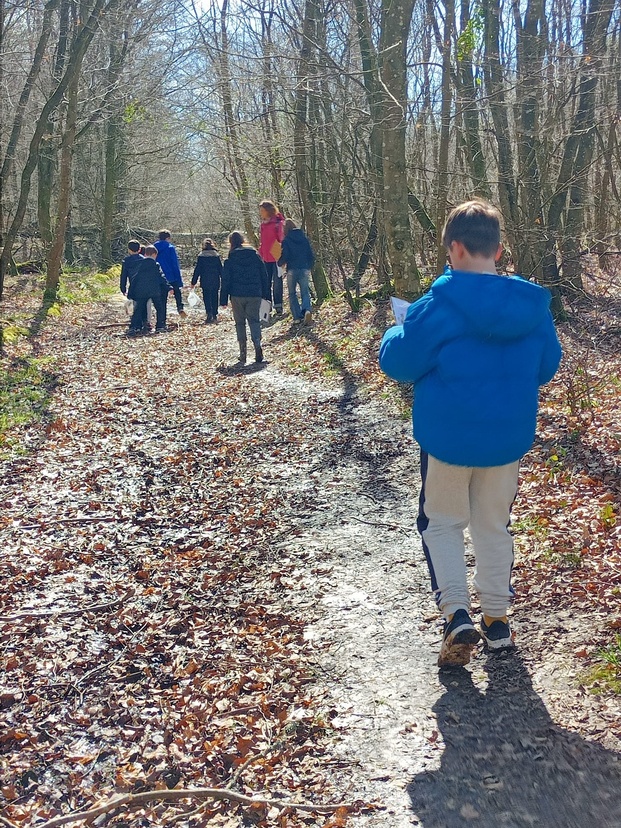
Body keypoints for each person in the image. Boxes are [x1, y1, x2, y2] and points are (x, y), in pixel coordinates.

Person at [379, 199, 562, 668]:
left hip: (448, 439)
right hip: (506, 439)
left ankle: (457, 614)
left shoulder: (434, 306)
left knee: (441, 522)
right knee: (492, 525)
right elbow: (546, 367)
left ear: (455, 248)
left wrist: (393, 332)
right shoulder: (530, 306)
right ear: (497, 251)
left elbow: (398, 363)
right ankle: (498, 620)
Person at [220, 231, 269, 364]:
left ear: (231, 243)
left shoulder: (230, 259)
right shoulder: (255, 256)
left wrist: (223, 299)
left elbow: (226, 280)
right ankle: (257, 345)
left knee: (240, 322)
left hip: (237, 295)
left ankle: (243, 353)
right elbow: (264, 275)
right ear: (243, 240)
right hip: (254, 293)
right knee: (254, 321)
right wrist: (266, 294)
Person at [127, 245, 171, 335]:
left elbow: (135, 278)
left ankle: (134, 327)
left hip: (142, 291)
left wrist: (131, 290)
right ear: (155, 254)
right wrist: (169, 287)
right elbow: (161, 277)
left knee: (138, 309)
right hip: (154, 290)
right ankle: (160, 326)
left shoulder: (140, 264)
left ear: (145, 254)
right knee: (159, 308)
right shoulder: (156, 265)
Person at [278, 219, 315, 323]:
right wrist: (309, 266)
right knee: (305, 292)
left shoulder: (286, 241)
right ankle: (307, 310)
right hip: (304, 268)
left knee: (292, 293)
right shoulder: (304, 238)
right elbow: (310, 254)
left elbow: (285, 255)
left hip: (292, 270)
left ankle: (297, 317)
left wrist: (279, 262)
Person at [257, 200, 285, 314]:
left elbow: (281, 240)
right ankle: (266, 308)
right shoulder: (263, 224)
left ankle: (278, 306)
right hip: (265, 257)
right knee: (265, 282)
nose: (261, 213)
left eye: (262, 210)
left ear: (268, 210)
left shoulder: (279, 222)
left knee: (277, 281)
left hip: (277, 255)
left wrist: (281, 256)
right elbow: (263, 241)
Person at [154, 229, 186, 317]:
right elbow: (174, 264)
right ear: (168, 238)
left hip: (159, 276)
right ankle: (180, 307)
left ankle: (162, 319)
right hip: (171, 275)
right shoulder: (170, 248)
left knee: (162, 299)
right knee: (177, 292)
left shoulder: (153, 248)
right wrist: (179, 280)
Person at [191, 238, 223, 323]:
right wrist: (224, 279)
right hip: (215, 279)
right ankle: (215, 314)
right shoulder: (216, 256)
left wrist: (193, 282)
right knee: (215, 296)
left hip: (205, 279)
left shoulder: (201, 256)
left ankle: (209, 313)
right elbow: (220, 269)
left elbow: (197, 270)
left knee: (206, 297)